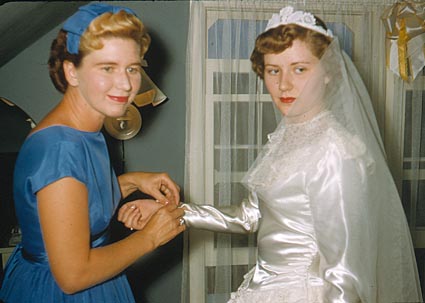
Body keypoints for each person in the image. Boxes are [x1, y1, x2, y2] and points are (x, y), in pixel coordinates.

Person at [179, 6, 423, 303]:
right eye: (273, 70)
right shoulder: (287, 137)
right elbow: (251, 215)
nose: (283, 84)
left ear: (328, 73)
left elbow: (345, 274)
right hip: (264, 289)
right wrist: (181, 213)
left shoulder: (335, 150)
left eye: (299, 69)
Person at [0, 3, 186, 303]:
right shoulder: (59, 149)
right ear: (72, 71)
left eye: (133, 68)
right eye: (107, 68)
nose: (126, 84)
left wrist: (131, 182)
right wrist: (149, 237)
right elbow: (73, 276)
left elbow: (75, 199)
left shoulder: (85, 130)